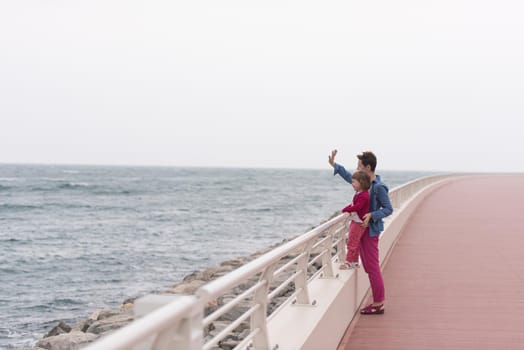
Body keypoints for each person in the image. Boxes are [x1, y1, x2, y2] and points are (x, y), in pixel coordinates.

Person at [329, 149, 393, 315]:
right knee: (368, 266)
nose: (356, 170)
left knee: (372, 267)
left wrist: (372, 215)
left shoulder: (379, 187)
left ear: (368, 167)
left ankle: (378, 303)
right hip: (361, 230)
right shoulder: (364, 182)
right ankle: (378, 301)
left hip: (370, 231)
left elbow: (388, 209)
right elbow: (349, 177)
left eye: (359, 166)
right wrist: (334, 164)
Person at [339, 170, 371, 270]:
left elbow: (357, 207)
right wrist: (348, 207)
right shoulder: (360, 193)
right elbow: (354, 205)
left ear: (361, 182)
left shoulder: (364, 195)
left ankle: (348, 262)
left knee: (352, 242)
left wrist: (346, 209)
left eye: (354, 182)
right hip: (357, 221)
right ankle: (355, 262)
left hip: (358, 223)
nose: (352, 184)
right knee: (355, 242)